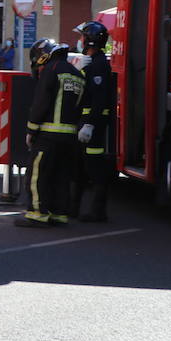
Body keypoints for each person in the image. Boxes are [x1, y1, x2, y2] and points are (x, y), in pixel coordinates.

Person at [17, 38, 84, 228]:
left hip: (47, 135)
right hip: (70, 137)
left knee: (37, 175)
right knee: (61, 175)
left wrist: (31, 129)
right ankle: (59, 214)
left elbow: (41, 102)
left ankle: (37, 214)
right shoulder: (76, 74)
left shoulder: (51, 70)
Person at [72, 20, 114, 222]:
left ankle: (99, 211)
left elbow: (99, 98)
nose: (79, 40)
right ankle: (73, 208)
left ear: (89, 41)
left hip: (93, 125)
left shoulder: (98, 65)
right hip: (85, 122)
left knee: (95, 169)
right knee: (79, 168)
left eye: (82, 37)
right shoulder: (91, 63)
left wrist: (89, 124)